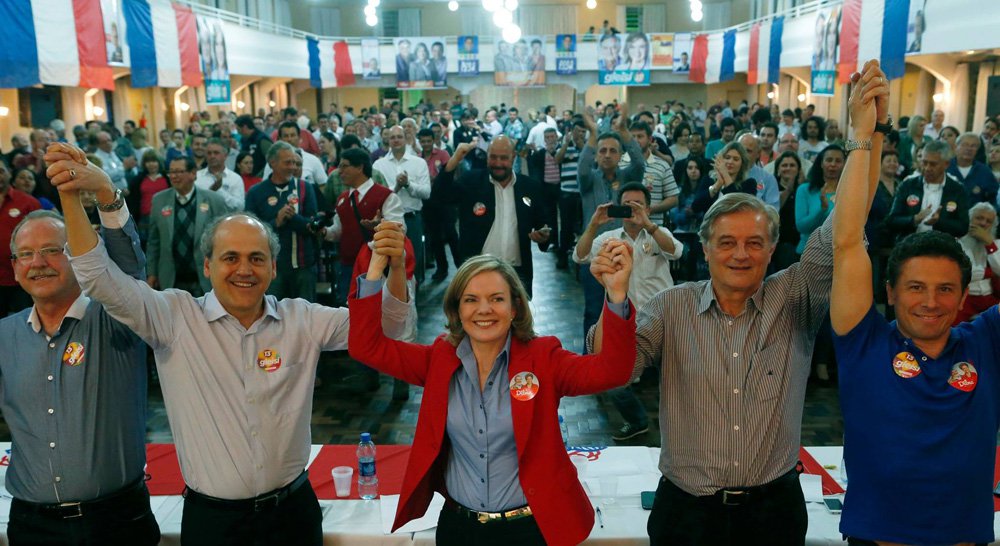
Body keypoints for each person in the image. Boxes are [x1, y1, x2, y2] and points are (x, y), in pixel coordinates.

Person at [49, 143, 410, 546]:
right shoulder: (173, 318)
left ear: (274, 269)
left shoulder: (302, 320)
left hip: (292, 516)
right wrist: (83, 194)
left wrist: (394, 268)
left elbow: (385, 329)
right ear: (208, 266)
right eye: (230, 257)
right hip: (213, 524)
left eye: (257, 258)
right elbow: (97, 277)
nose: (244, 269)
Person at [588, 64, 883, 542]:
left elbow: (845, 227)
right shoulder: (669, 307)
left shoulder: (797, 294)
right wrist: (616, 297)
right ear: (704, 249)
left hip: (774, 512)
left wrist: (865, 138)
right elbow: (613, 368)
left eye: (754, 242)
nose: (740, 254)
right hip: (686, 513)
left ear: (772, 249)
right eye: (726, 242)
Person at [347, 227, 636, 545]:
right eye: (471, 300)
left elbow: (613, 372)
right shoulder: (439, 360)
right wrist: (376, 269)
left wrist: (617, 295)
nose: (484, 309)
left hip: (529, 528)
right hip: (460, 528)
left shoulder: (543, 358)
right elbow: (366, 347)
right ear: (458, 310)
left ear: (515, 308)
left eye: (496, 299)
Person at [831, 61, 999, 546]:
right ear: (889, 292)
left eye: (945, 289)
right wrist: (864, 134)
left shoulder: (985, 341)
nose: (931, 302)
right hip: (877, 538)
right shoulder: (864, 342)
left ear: (964, 295)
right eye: (915, 287)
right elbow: (846, 242)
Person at [3, 147, 159, 545]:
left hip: (116, 523)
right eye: (25, 254)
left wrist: (104, 195)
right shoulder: (5, 336)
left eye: (53, 250)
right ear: (15, 267)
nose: (38, 262)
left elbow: (128, 268)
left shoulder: (117, 319)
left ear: (78, 256)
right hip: (31, 525)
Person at [574, 183, 682, 440]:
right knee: (614, 379)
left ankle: (683, 426)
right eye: (627, 204)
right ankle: (637, 420)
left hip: (666, 318)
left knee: (682, 377)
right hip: (630, 322)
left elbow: (677, 252)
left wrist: (650, 225)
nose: (633, 209)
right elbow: (580, 256)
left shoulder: (658, 231)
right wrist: (593, 224)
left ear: (647, 207)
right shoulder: (609, 239)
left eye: (638, 204)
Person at [433, 136, 550, 297]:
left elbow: (542, 224)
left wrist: (543, 236)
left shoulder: (530, 187)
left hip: (516, 274)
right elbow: (440, 195)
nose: (498, 163)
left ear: (513, 157)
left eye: (504, 158)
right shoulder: (471, 181)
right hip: (477, 271)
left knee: (516, 321)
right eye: (493, 157)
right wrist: (455, 158)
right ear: (487, 157)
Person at [245, 141, 323, 301]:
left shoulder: (305, 188)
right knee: (273, 316)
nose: (293, 167)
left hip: (303, 266)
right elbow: (250, 232)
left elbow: (313, 225)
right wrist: (276, 222)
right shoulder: (256, 192)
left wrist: (293, 218)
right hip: (272, 268)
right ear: (272, 163)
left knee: (306, 317)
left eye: (295, 163)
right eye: (288, 162)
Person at [147, 156, 230, 296]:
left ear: (193, 174)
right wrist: (151, 273)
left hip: (205, 279)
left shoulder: (214, 201)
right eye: (171, 171)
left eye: (179, 171)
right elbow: (154, 242)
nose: (173, 176)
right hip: (171, 279)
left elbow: (226, 241)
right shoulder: (159, 200)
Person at [373, 126, 431, 283]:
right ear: (388, 140)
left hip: (412, 219)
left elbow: (426, 193)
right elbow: (377, 196)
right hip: (389, 222)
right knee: (388, 264)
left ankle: (413, 302)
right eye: (393, 137)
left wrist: (408, 185)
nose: (396, 140)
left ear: (406, 139)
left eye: (399, 137)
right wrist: (396, 188)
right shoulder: (379, 165)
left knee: (414, 263)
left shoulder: (418, 163)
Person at [886, 139, 969, 241]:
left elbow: (963, 227)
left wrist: (939, 222)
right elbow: (891, 221)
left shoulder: (957, 190)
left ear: (946, 164)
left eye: (933, 164)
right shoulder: (908, 185)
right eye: (924, 163)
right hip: (909, 246)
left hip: (942, 249)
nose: (927, 168)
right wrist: (914, 219)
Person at [1, 161, 42, 317]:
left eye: (1, 171)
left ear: (9, 174)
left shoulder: (28, 202)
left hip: (23, 279)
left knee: (26, 323)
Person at [954, 202, 1000, 324]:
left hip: (990, 298)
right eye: (979, 218)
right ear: (969, 219)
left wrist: (989, 244)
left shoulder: (997, 244)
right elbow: (965, 274)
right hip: (964, 299)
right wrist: (991, 273)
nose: (983, 223)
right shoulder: (956, 243)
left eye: (988, 221)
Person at [692, 141, 757, 213]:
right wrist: (717, 185)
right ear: (721, 159)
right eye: (727, 157)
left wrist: (725, 175)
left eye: (735, 159)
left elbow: (739, 207)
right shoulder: (708, 179)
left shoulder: (749, 183)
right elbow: (695, 207)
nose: (730, 162)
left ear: (742, 163)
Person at [948, 132, 998, 204]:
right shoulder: (944, 167)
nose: (969, 149)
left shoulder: (985, 172)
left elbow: (993, 198)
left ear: (977, 150)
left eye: (974, 146)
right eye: (965, 145)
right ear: (956, 147)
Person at [195, 138, 244, 211]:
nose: (212, 156)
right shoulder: (196, 177)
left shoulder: (235, 179)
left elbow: (239, 208)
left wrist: (219, 190)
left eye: (216, 153)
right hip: (203, 220)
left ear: (225, 155)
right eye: (209, 153)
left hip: (226, 220)